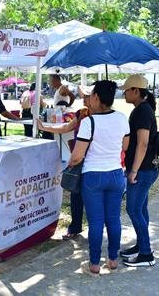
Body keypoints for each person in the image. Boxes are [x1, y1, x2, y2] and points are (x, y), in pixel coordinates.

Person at [69, 80, 129, 275]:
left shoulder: (89, 122)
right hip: (115, 174)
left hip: (93, 176)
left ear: (96, 97)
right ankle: (112, 259)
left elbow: (77, 156)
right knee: (113, 219)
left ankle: (94, 263)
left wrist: (70, 163)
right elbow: (125, 147)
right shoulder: (122, 118)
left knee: (95, 221)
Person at [37, 84, 94, 241]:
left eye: (88, 96)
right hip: (78, 160)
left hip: (93, 161)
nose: (84, 99)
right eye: (84, 96)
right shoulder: (82, 113)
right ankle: (75, 226)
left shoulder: (102, 116)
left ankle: (94, 229)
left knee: (91, 197)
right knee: (76, 194)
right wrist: (46, 127)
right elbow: (66, 128)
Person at [119, 74, 159, 267]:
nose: (124, 93)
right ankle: (141, 245)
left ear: (136, 91)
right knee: (141, 209)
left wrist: (133, 170)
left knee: (133, 209)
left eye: (126, 90)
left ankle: (146, 254)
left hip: (142, 169)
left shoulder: (143, 111)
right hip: (146, 168)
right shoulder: (142, 109)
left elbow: (142, 144)